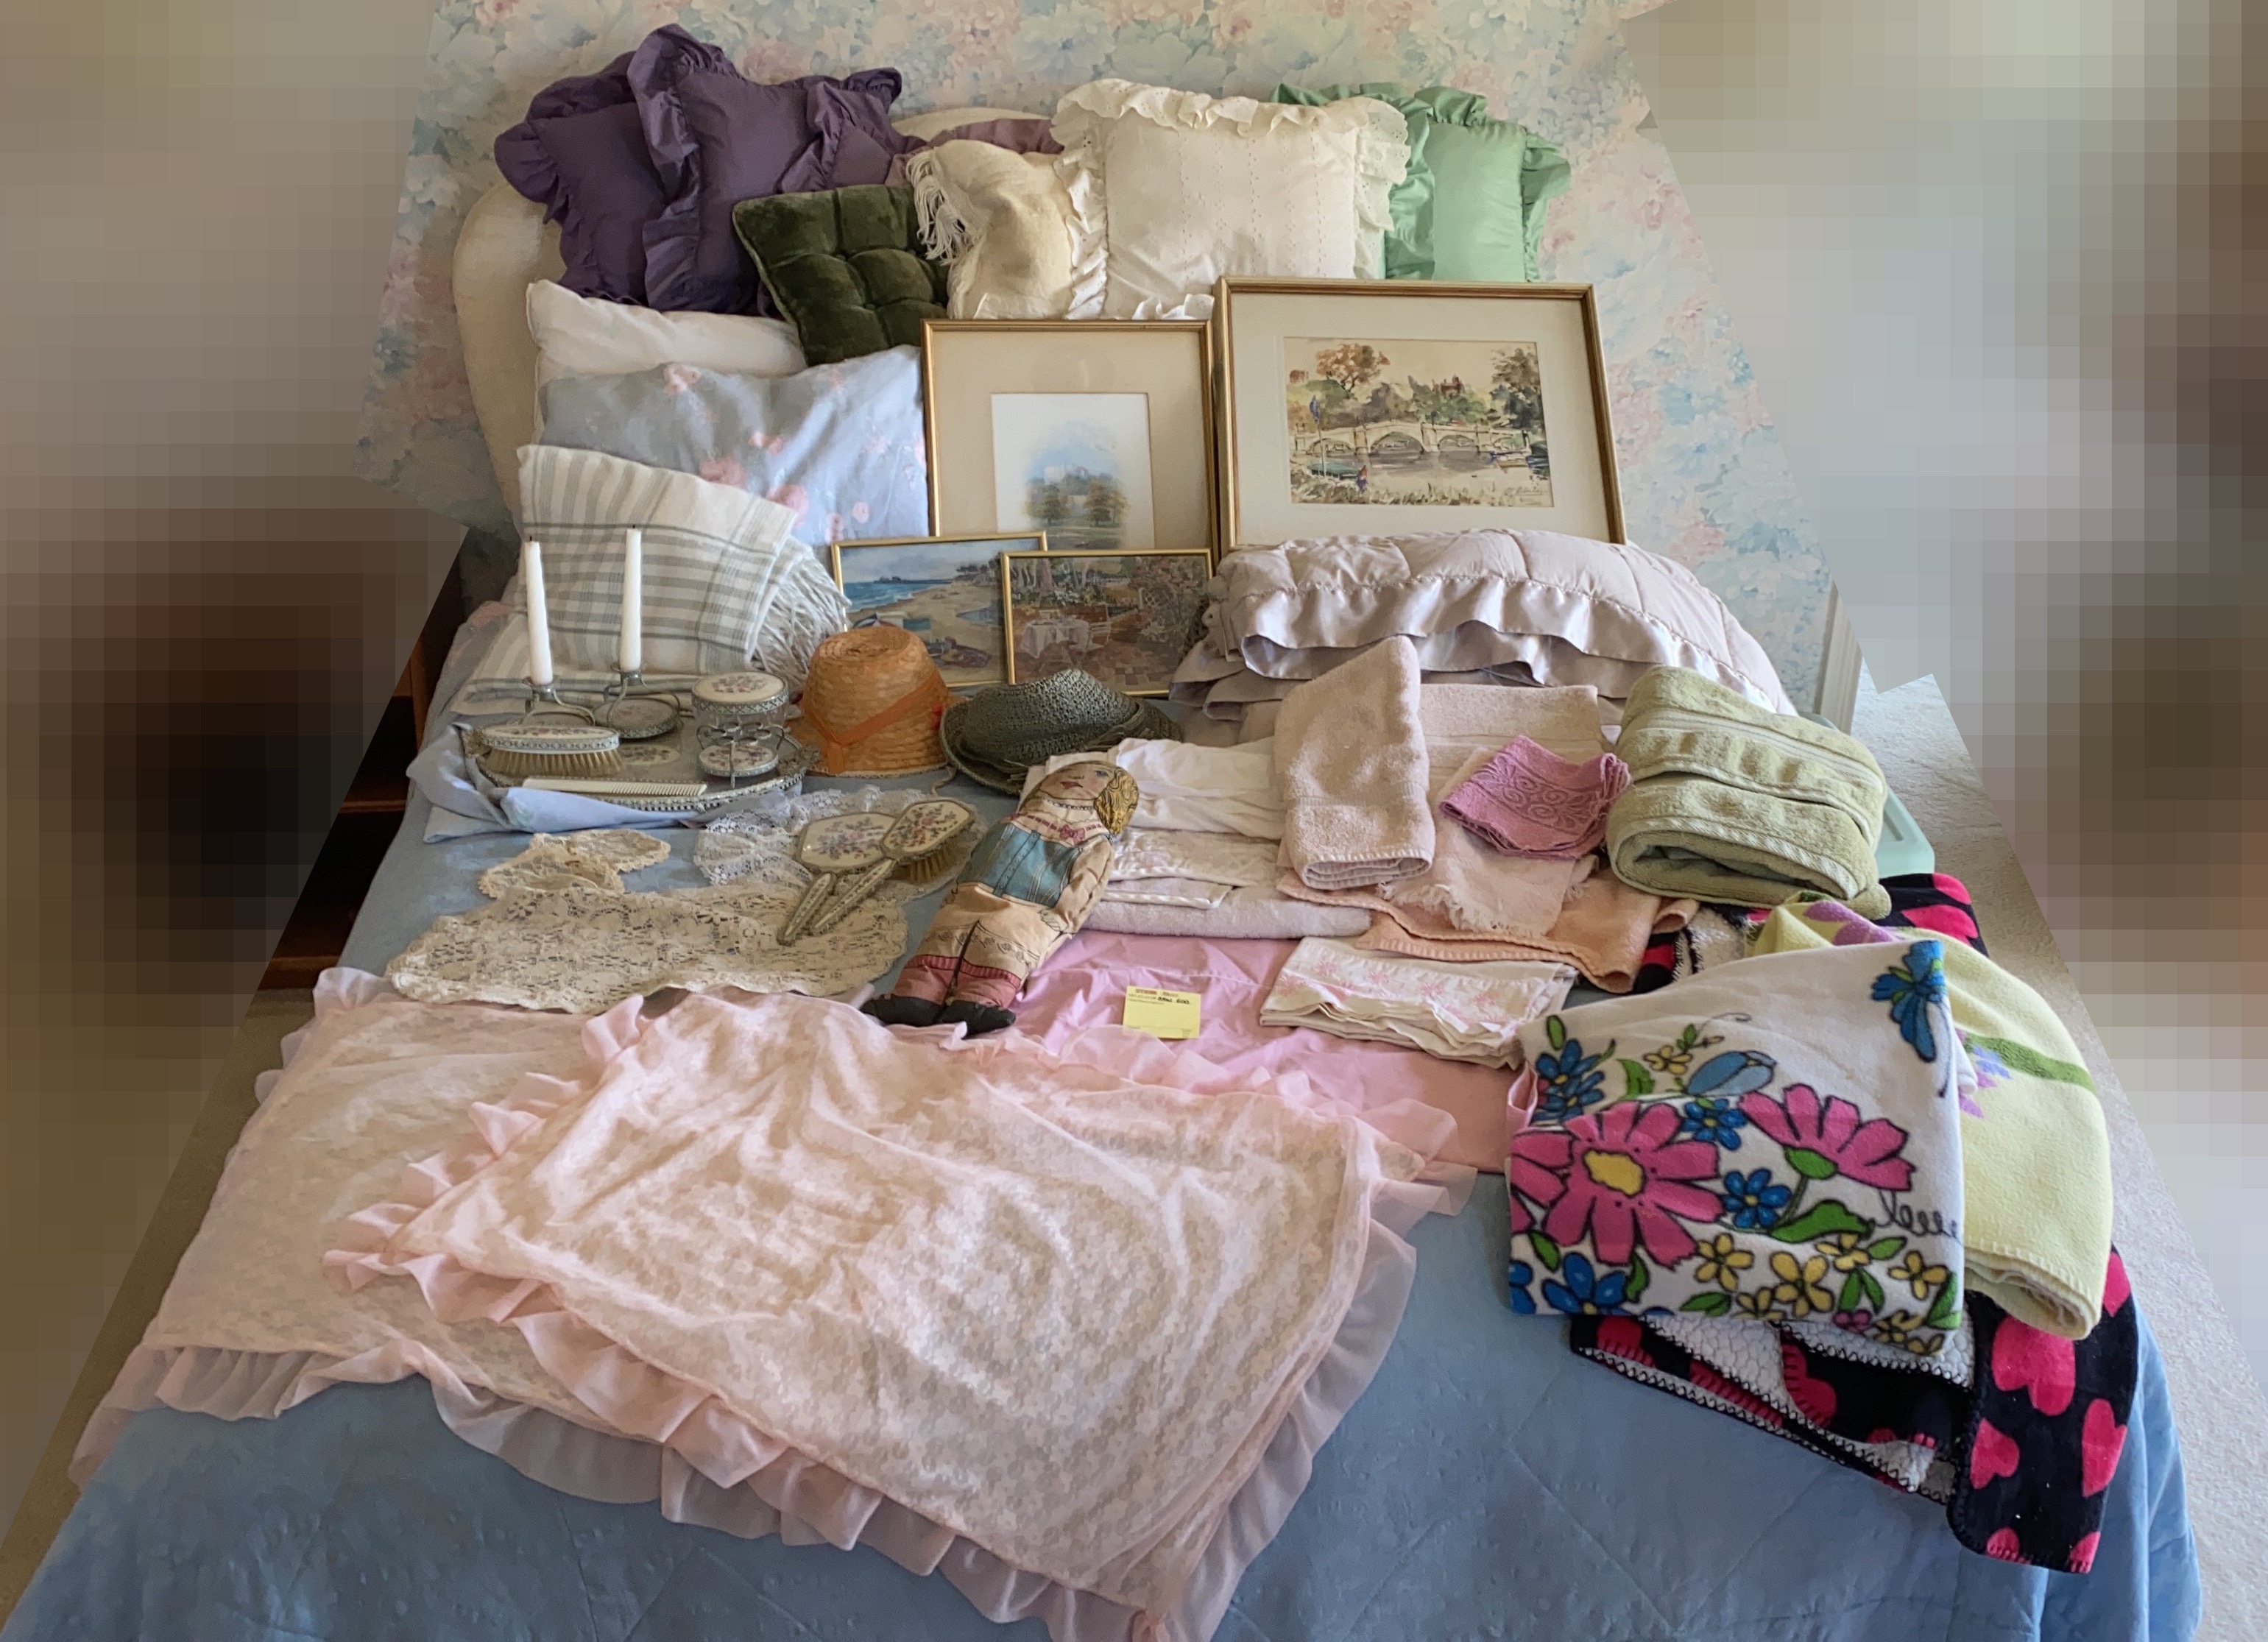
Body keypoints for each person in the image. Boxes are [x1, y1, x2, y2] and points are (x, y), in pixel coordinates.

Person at [862, 759, 1137, 1036]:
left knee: (1003, 955)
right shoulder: (1017, 819)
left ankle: (977, 1002)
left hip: (1031, 908)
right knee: (942, 939)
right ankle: (914, 997)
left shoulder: (1093, 841)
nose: (1076, 778)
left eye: (1099, 775)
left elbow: (1085, 887)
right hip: (971, 895)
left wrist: (1061, 918)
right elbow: (979, 857)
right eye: (1067, 772)